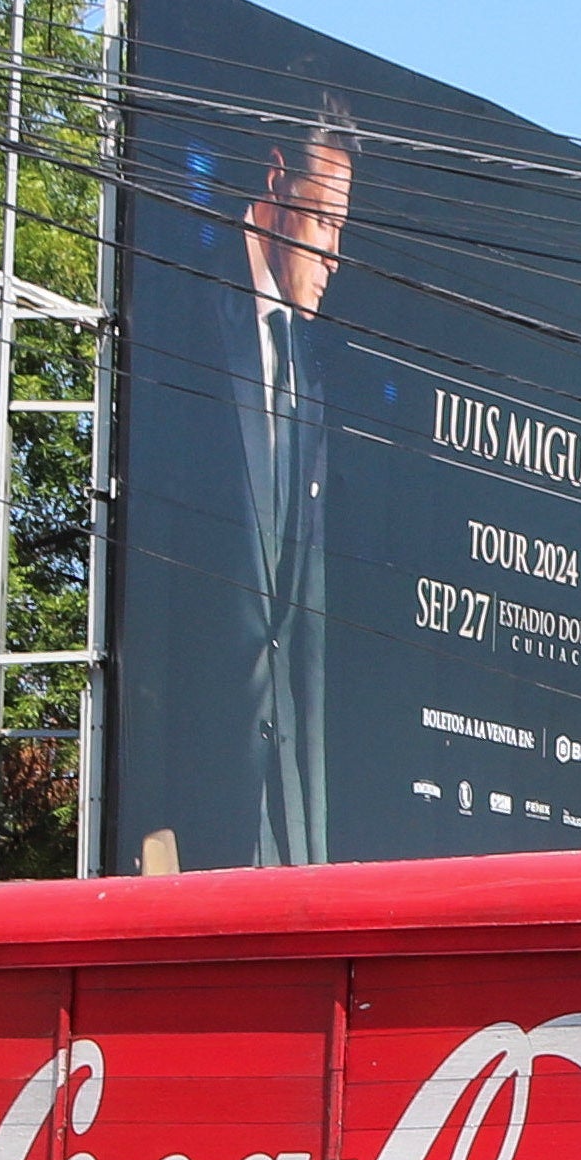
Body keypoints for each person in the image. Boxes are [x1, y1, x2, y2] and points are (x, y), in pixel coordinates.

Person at [232, 108, 353, 866]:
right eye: (324, 222)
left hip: (279, 821)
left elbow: (298, 623)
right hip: (183, 788)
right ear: (278, 181)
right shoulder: (188, 304)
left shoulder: (307, 371)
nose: (336, 254)